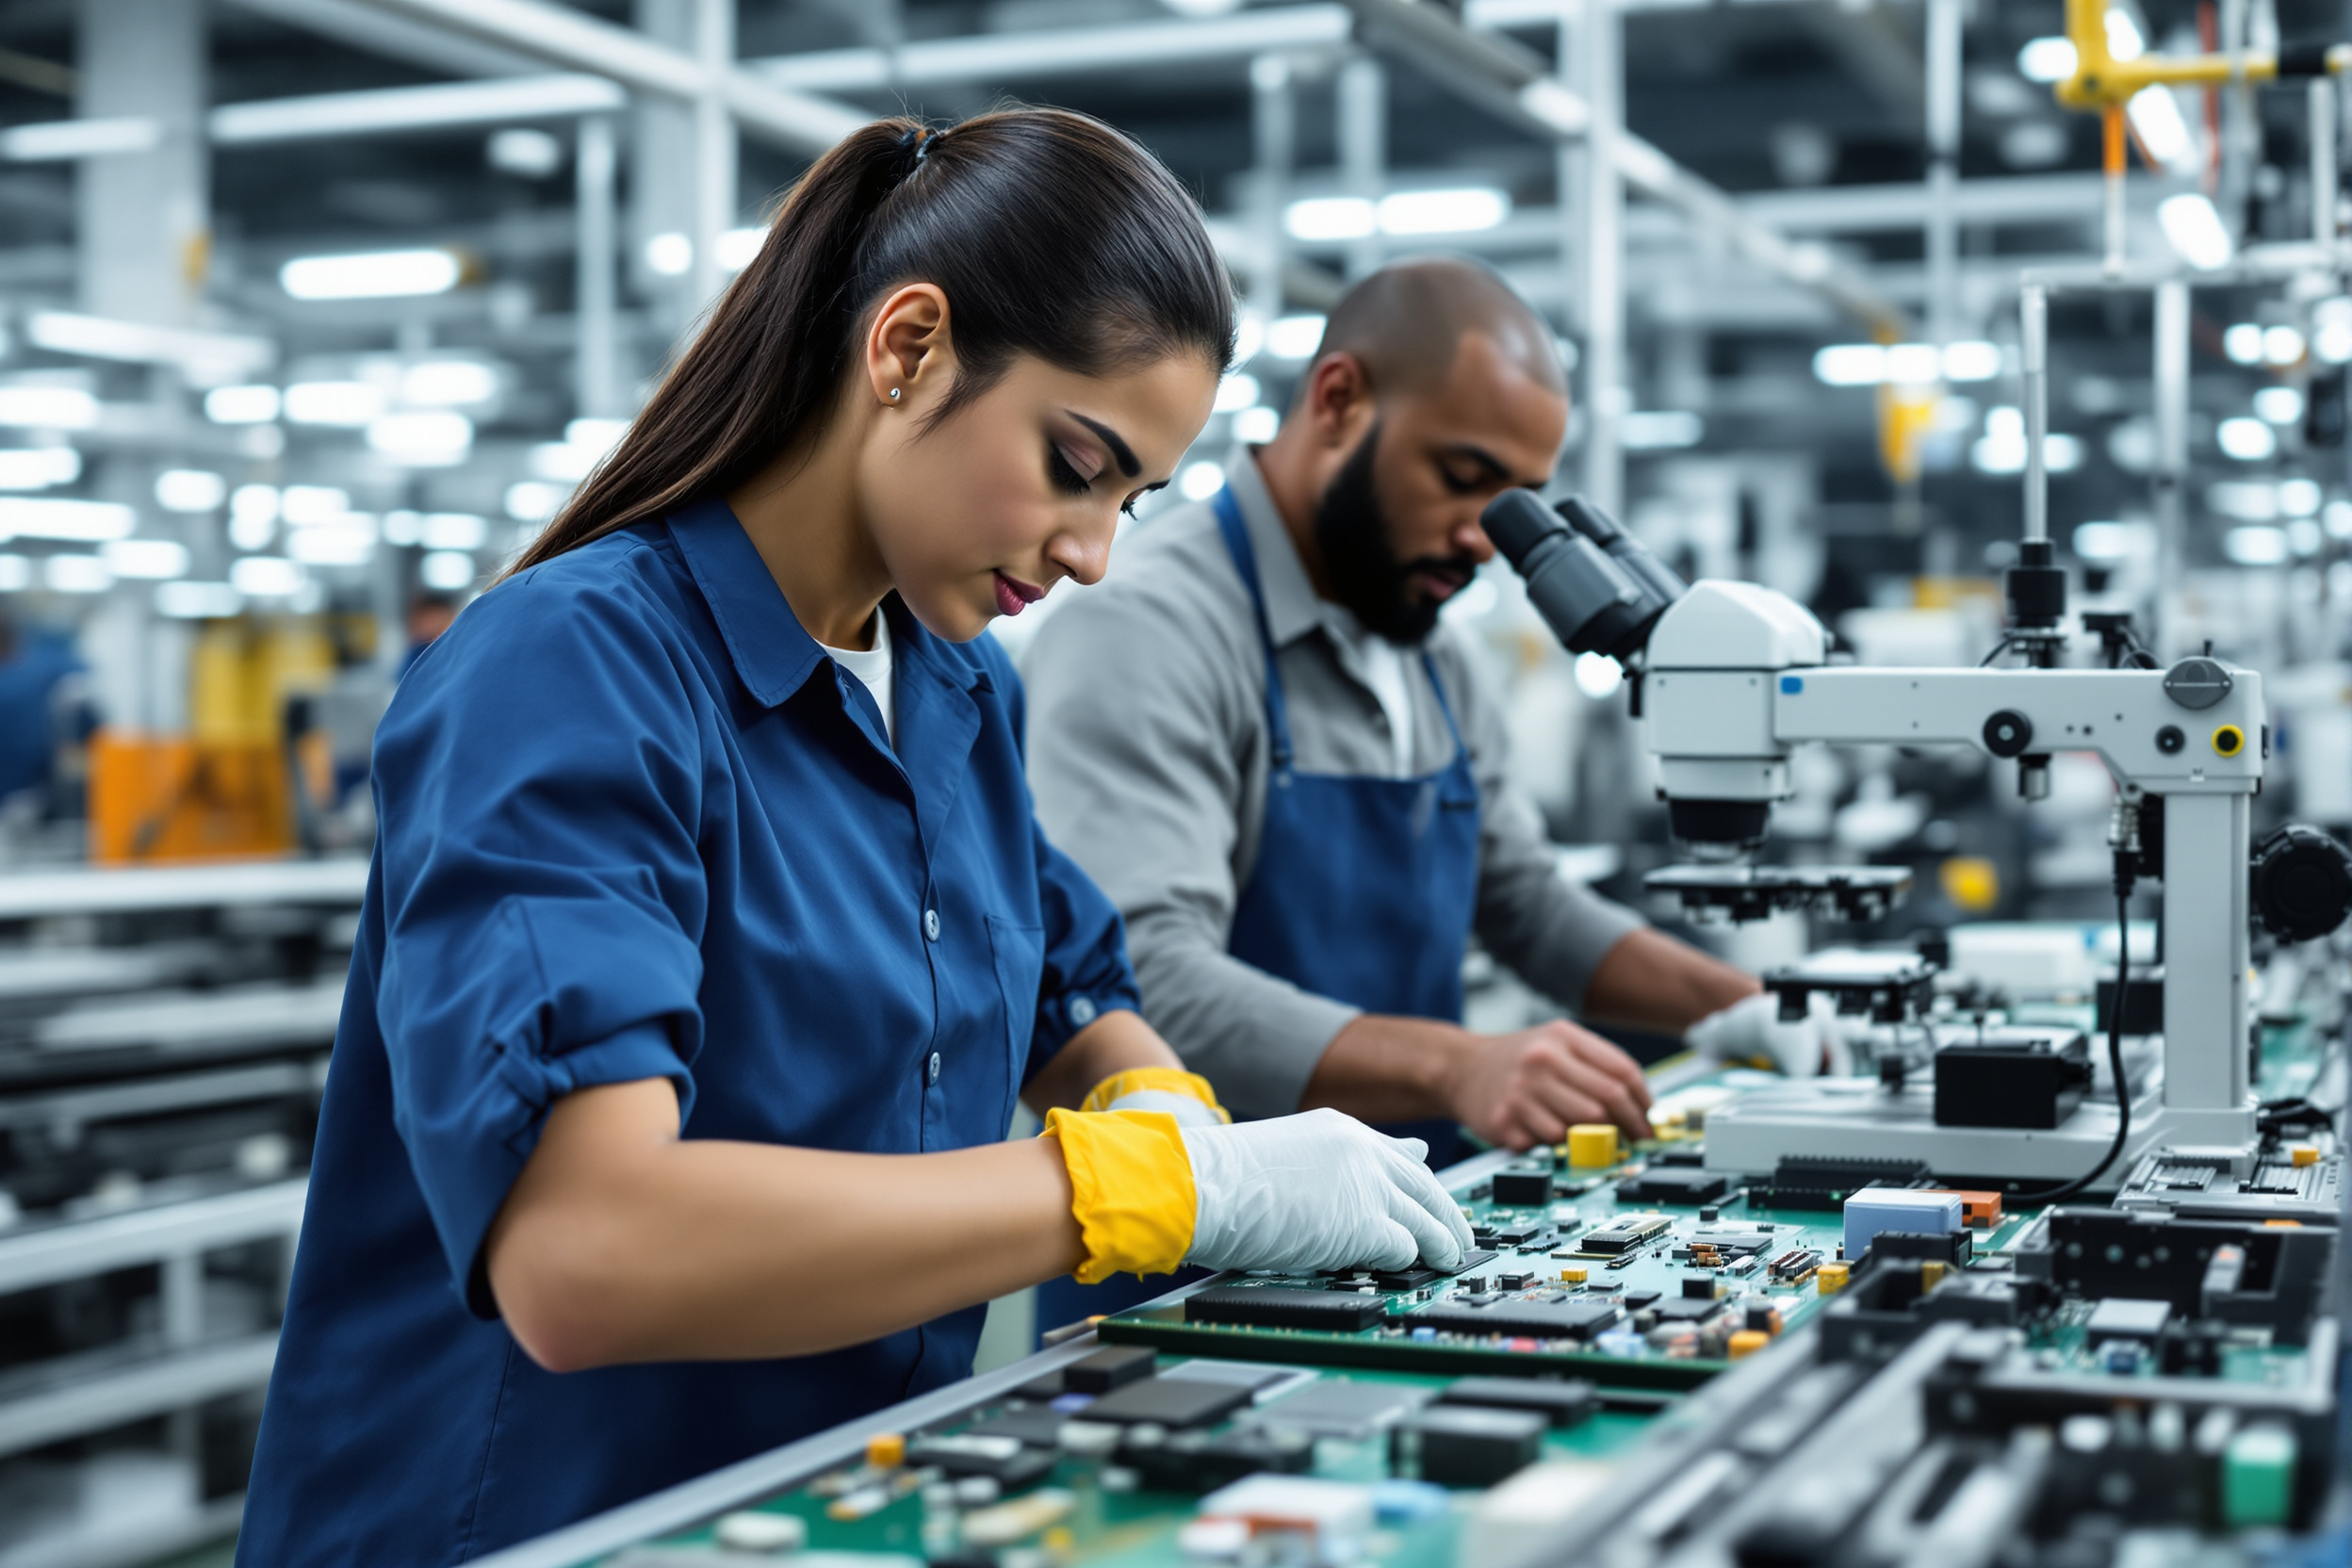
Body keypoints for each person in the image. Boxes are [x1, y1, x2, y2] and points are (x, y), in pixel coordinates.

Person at [237, 111, 1469, 1567]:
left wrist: (1159, 1103)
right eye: (1078, 464)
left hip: (827, 1510)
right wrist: (1153, 1189)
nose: (1094, 554)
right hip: (527, 1526)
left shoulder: (953, 690)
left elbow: (1068, 981)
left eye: (1133, 499)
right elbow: (585, 1250)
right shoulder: (573, 668)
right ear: (907, 349)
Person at [1023, 257, 1833, 1199]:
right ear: (1339, 400)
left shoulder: (1430, 652)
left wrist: (1748, 1006)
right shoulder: (1149, 625)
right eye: (1462, 476)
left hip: (1411, 1226)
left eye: (1510, 503)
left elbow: (1526, 902)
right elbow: (1141, 980)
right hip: (1201, 1262)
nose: (1482, 538)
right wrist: (1457, 1065)